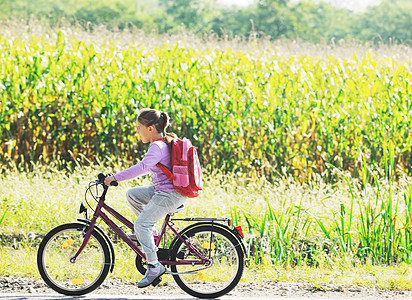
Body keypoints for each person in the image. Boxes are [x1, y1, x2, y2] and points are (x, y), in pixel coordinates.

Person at [104, 108, 186, 288]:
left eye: (139, 127)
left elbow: (142, 167)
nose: (137, 131)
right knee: (133, 194)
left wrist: (115, 178)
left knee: (141, 224)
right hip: (164, 191)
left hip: (169, 195)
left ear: (150, 128)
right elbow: (147, 168)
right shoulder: (161, 143)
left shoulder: (157, 146)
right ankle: (151, 235)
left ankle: (154, 266)